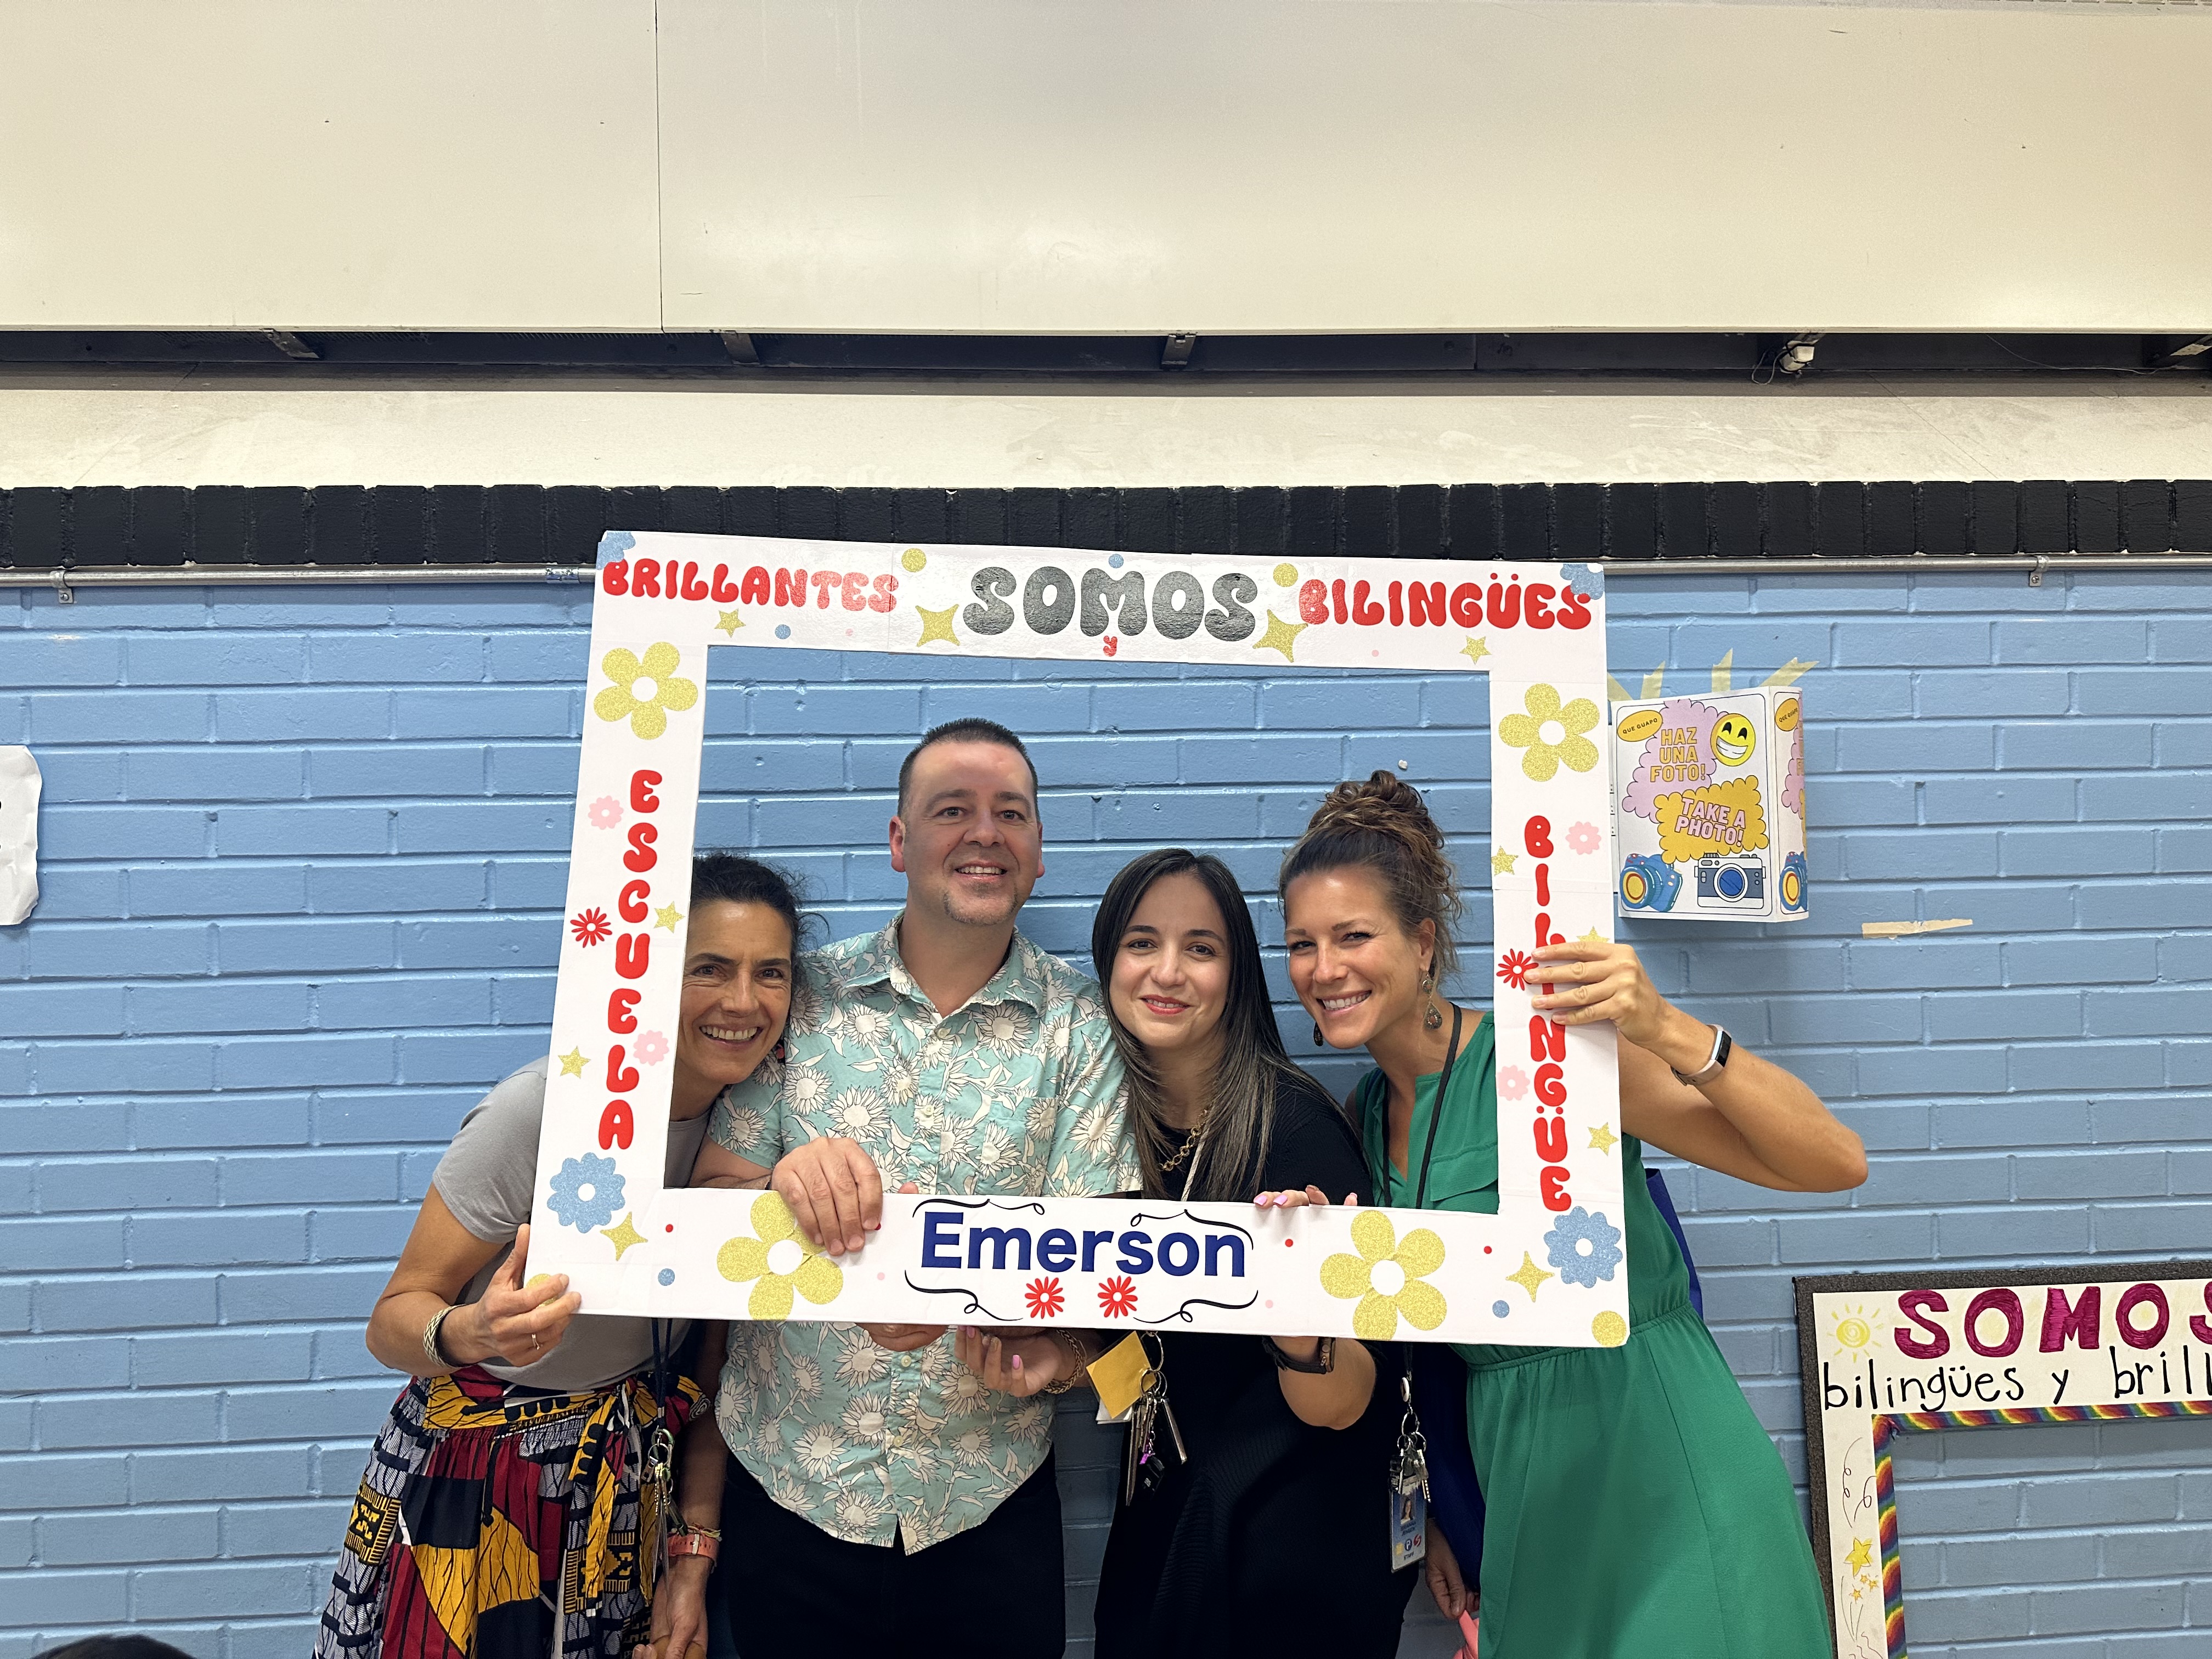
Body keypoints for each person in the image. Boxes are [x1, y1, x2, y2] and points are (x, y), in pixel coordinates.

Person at [1279, 771, 1864, 1657]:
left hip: (1659, 1453)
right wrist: (1439, 1509)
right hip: (1527, 1492)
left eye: (1353, 935)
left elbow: (1833, 1161)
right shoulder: (1360, 1117)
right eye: (1302, 944)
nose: (1325, 969)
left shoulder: (1548, 1061)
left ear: (1424, 942)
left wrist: (1666, 1026)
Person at [691, 718, 1137, 1657]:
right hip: (791, 1490)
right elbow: (708, 1196)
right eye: (952, 810)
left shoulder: (1081, 1029)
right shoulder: (800, 996)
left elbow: (1098, 1262)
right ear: (899, 841)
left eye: (1010, 813)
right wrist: (778, 1182)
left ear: (1039, 851)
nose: (984, 833)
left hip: (988, 1503)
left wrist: (1046, 1342)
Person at [319, 854, 808, 1659]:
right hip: (477, 1485)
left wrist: (692, 1548)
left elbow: (714, 1372)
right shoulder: (543, 1110)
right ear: (648, 977)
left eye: (771, 973)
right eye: (709, 969)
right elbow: (391, 1320)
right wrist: (470, 1331)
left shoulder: (753, 1134)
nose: (742, 1002)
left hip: (627, 1489)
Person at [962, 848, 1417, 1657]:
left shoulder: (1296, 1131)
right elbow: (1160, 1353)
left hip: (1291, 1558)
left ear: (1236, 975)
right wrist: (1065, 1364)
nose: (1168, 972)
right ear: (1108, 961)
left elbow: (1349, 1405)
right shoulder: (1108, 1134)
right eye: (1142, 943)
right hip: (1168, 1518)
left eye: (1201, 948)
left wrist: (1299, 1325)